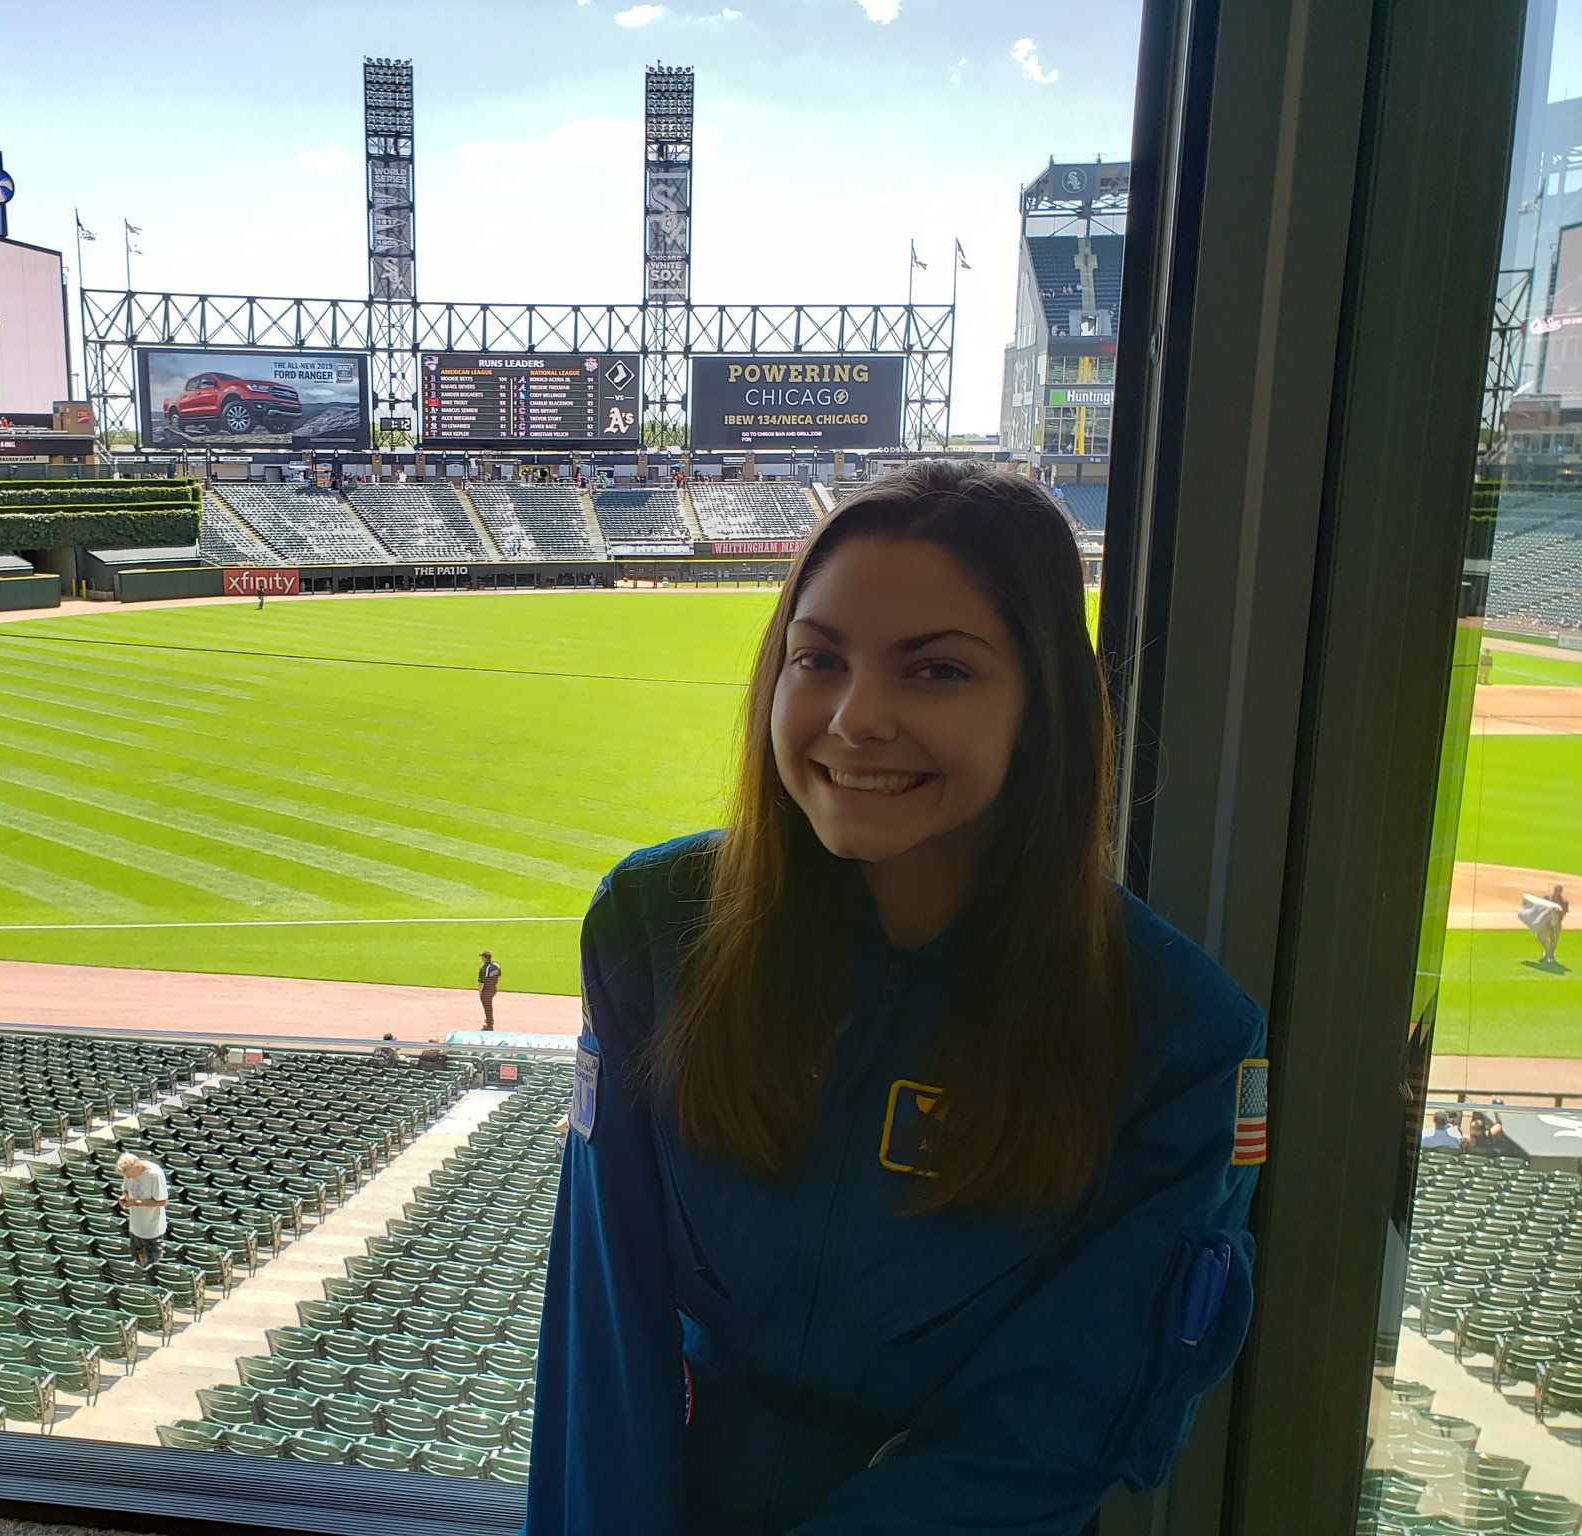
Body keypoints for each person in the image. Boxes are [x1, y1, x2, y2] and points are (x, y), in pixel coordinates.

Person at [525, 461, 1270, 1536]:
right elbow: (604, 1331)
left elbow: (1046, 1430)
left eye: (936, 672)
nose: (854, 718)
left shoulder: (1182, 1036)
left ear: (1039, 708)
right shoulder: (654, 926)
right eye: (817, 659)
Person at [116, 1151, 168, 1269]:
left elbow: (162, 1201)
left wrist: (137, 1203)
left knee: (152, 1265)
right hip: (135, 1226)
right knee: (137, 1260)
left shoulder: (155, 1175)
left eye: (129, 1176)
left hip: (152, 1229)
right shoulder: (129, 1173)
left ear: (137, 1166)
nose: (128, 1178)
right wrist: (124, 1198)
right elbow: (126, 1189)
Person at [1459, 1110, 1528, 1160]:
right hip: (1489, 1156)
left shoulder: (1469, 1139)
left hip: (1476, 1157)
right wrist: (1496, 1111)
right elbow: (1499, 1124)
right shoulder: (1489, 1134)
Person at [477, 950, 502, 1031]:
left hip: (486, 991)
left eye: (482, 957)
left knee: (487, 1007)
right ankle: (489, 1020)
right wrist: (494, 984)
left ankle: (490, 1026)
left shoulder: (483, 969)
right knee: (489, 1005)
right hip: (493, 989)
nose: (481, 958)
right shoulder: (496, 966)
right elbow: (499, 977)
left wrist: (480, 992)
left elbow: (481, 983)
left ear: (485, 958)